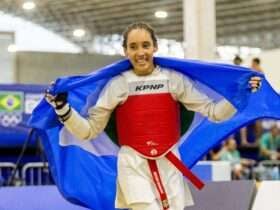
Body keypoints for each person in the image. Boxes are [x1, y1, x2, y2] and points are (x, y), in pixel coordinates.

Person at [45, 22, 261, 210]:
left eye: (145, 45)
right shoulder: (117, 85)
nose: (140, 52)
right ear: (125, 51)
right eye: (133, 47)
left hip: (171, 164)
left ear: (155, 47)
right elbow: (89, 131)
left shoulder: (174, 80)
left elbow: (214, 113)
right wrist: (64, 109)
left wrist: (241, 94)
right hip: (132, 165)